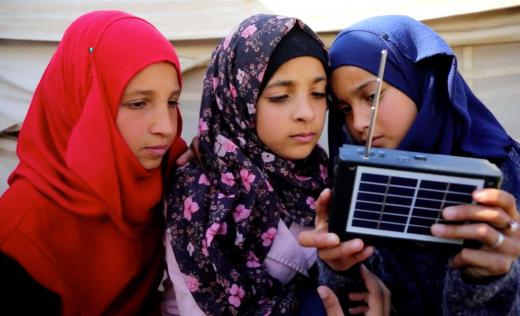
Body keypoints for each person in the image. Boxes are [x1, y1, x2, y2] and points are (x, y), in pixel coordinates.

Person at [299, 15, 520, 315]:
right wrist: (339, 269)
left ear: (421, 82)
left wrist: (493, 282)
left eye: (372, 96)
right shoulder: (358, 182)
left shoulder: (507, 176)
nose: (359, 123)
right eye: (344, 109)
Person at [0, 10, 187, 315]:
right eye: (138, 103)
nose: (166, 127)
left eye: (172, 102)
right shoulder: (19, 237)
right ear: (81, 103)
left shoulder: (164, 180)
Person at [162, 14, 332, 315]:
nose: (307, 112)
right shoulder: (201, 194)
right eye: (280, 96)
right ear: (238, 98)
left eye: (318, 93)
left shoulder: (321, 173)